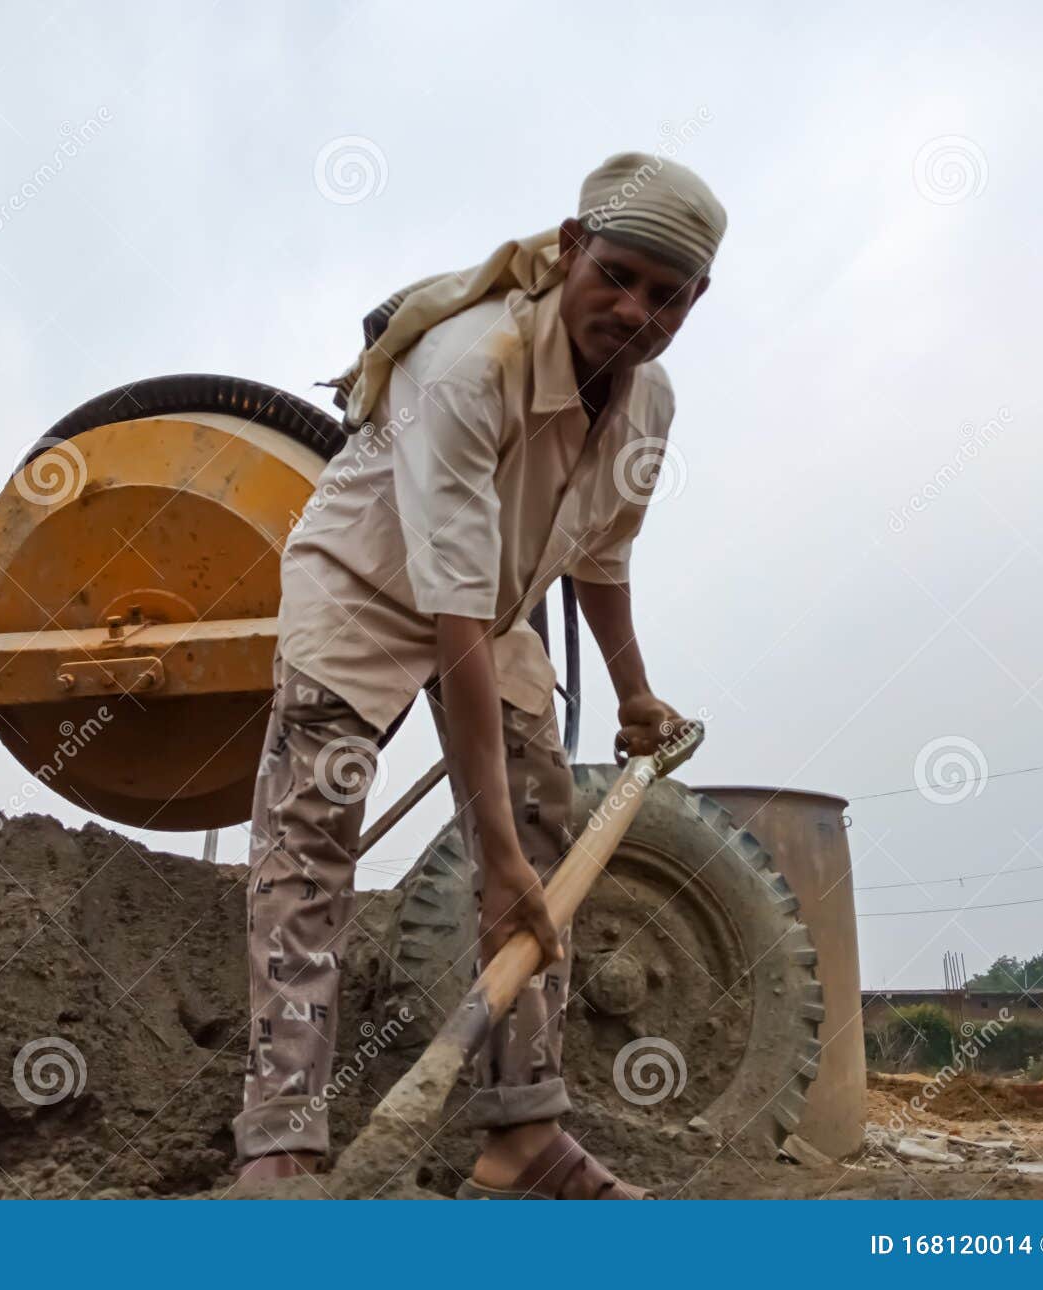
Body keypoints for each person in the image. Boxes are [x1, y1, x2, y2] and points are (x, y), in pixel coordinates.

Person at [234, 151, 725, 1199]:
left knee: (544, 836)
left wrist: (633, 691)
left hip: (490, 602)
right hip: (366, 584)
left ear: (695, 302)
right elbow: (447, 615)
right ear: (570, 246)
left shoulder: (650, 407)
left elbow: (598, 556)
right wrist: (488, 858)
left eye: (666, 295)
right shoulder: (472, 361)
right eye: (618, 275)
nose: (634, 309)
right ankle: (281, 1141)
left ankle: (521, 1132)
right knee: (309, 842)